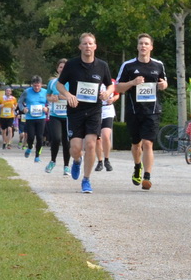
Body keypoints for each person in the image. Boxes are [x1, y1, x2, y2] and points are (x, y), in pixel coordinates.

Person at [57, 33, 114, 193]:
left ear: (95, 46)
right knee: (75, 147)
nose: (88, 46)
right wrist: (68, 95)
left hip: (94, 110)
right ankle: (77, 160)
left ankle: (86, 180)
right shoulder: (72, 65)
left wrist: (107, 93)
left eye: (90, 44)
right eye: (85, 44)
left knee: (90, 144)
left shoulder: (102, 66)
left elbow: (110, 85)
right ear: (80, 47)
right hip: (75, 111)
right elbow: (60, 85)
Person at [116, 34, 169, 191]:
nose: (143, 46)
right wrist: (133, 82)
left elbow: (164, 82)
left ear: (151, 47)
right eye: (141, 43)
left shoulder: (158, 65)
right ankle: (137, 166)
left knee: (147, 143)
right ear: (137, 47)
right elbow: (118, 87)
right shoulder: (128, 66)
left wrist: (163, 85)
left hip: (152, 110)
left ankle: (147, 176)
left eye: (146, 43)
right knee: (136, 144)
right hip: (134, 111)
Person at [43, 60, 70, 172]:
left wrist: (59, 97)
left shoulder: (72, 82)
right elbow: (48, 96)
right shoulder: (52, 82)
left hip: (68, 116)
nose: (62, 69)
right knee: (55, 138)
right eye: (60, 67)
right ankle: (52, 161)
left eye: (64, 67)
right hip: (55, 115)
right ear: (57, 69)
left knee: (66, 141)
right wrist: (51, 98)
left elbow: (73, 97)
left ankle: (66, 166)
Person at [0, 85, 17, 154]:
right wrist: (0, 106)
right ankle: (4, 142)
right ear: (5, 92)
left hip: (10, 115)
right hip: (3, 116)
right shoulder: (1, 98)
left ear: (11, 92)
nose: (8, 92)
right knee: (3, 130)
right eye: (7, 91)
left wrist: (14, 107)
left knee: (10, 129)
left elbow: (16, 105)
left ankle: (9, 142)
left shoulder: (13, 98)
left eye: (9, 91)